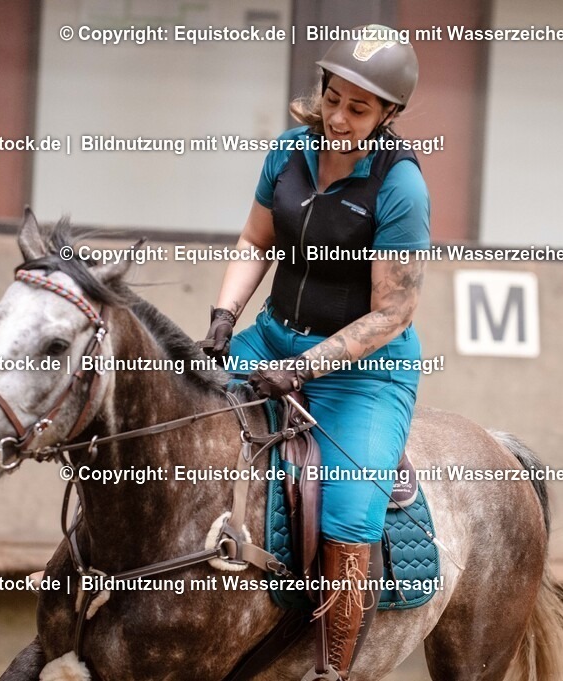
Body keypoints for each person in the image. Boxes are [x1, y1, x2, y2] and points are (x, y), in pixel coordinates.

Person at [203, 26, 428, 679]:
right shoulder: (288, 153)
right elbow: (254, 239)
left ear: (388, 114)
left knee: (351, 510)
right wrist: (223, 318)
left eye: (359, 109)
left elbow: (393, 310)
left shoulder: (401, 188)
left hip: (364, 373)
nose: (337, 117)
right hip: (270, 337)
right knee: (178, 407)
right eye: (333, 98)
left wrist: (302, 368)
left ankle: (331, 668)